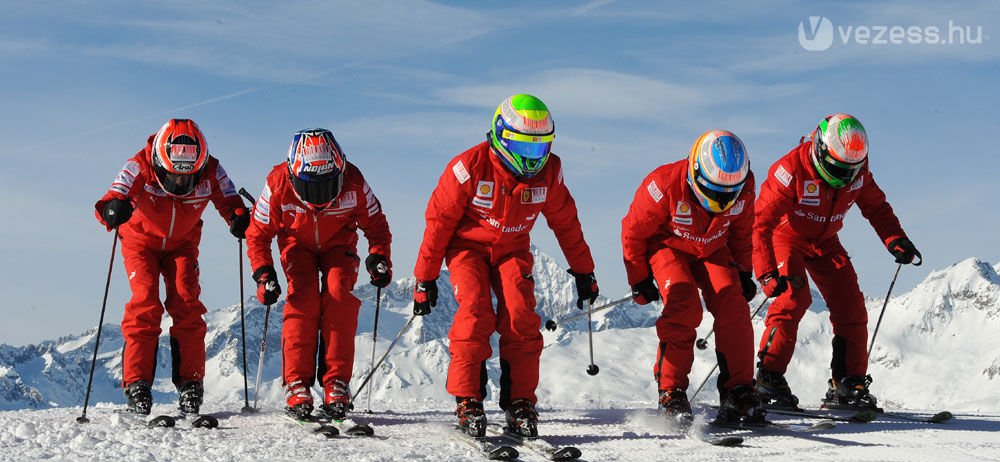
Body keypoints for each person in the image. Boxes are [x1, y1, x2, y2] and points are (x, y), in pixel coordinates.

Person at [412, 94, 598, 438]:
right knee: (475, 311)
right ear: (501, 136)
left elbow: (566, 223)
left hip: (512, 249)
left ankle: (520, 403)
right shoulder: (468, 168)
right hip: (467, 249)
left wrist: (584, 270)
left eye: (539, 149)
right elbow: (437, 225)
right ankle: (468, 399)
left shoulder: (549, 174)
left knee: (521, 315)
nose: (532, 159)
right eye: (524, 148)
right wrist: (425, 278)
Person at [753, 113, 921, 411]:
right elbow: (761, 222)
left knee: (852, 307)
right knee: (793, 299)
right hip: (786, 236)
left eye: (850, 170)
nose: (844, 176)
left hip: (825, 242)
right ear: (819, 150)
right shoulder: (790, 171)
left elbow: (876, 207)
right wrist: (766, 272)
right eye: (837, 168)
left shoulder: (858, 173)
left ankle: (848, 383)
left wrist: (895, 238)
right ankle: (768, 378)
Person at [94, 119, 249, 416]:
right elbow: (110, 198)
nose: (179, 183)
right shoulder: (138, 165)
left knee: (187, 303)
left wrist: (238, 216)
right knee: (145, 302)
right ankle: (137, 382)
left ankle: (191, 382)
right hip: (141, 242)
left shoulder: (212, 170)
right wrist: (112, 210)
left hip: (182, 245)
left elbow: (229, 198)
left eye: (187, 178)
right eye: (173, 177)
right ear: (159, 162)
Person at [245, 128, 392, 419]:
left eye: (328, 184)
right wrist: (263, 273)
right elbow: (257, 234)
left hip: (340, 244)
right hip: (296, 246)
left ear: (340, 168)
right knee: (303, 298)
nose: (321, 195)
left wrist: (379, 257)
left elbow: (376, 226)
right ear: (293, 173)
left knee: (339, 296)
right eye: (312, 187)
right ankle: (296, 383)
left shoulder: (355, 181)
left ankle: (336, 382)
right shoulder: (276, 183)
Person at [621, 130, 761, 425]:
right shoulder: (662, 185)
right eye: (713, 192)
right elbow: (633, 231)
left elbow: (741, 231)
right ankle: (671, 392)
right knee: (683, 303)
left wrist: (744, 271)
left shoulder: (746, 186)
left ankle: (739, 391)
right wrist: (639, 278)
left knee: (733, 304)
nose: (721, 201)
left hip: (712, 247)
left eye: (728, 195)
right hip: (668, 245)